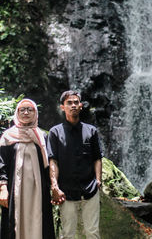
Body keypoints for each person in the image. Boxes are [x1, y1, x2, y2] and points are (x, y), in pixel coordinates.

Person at [47, 90, 103, 239]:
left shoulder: (91, 131)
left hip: (90, 188)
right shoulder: (55, 132)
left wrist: (98, 180)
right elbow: (53, 161)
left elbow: (97, 158)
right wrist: (55, 186)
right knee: (68, 233)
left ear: (81, 106)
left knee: (92, 232)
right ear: (62, 107)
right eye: (69, 103)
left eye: (76, 102)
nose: (73, 105)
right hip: (66, 190)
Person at [0, 98, 55, 239]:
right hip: (14, 190)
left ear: (35, 113)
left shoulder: (42, 137)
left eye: (29, 109)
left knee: (39, 220)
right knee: (15, 221)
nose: (26, 112)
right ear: (17, 113)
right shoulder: (7, 137)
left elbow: (50, 164)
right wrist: (3, 188)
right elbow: (1, 165)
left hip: (38, 191)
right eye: (22, 109)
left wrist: (54, 187)